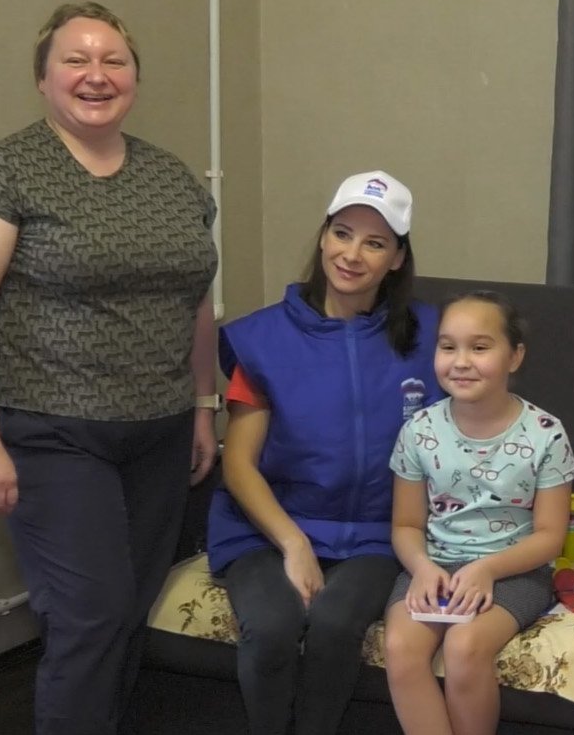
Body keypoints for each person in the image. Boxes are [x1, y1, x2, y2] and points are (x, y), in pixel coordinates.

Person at [0, 1, 219, 734]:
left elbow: (194, 297)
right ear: (43, 77)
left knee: (127, 611)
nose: (97, 74)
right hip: (53, 432)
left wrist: (202, 403)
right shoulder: (1, 175)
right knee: (89, 615)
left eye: (113, 60)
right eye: (76, 59)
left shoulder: (171, 177)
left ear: (134, 77)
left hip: (158, 433)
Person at [206, 171, 443, 734]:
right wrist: (293, 544)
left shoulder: (433, 337)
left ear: (397, 259)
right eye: (342, 233)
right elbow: (238, 463)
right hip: (267, 530)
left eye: (375, 243)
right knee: (271, 627)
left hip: (376, 534)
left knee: (336, 626)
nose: (352, 255)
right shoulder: (263, 340)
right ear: (322, 237)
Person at [382, 292, 574, 735]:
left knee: (465, 646)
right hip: (434, 566)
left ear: (515, 357)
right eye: (448, 347)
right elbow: (406, 524)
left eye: (480, 347)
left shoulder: (545, 433)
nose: (461, 362)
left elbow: (550, 535)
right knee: (400, 646)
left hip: (515, 570)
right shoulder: (419, 430)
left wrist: (487, 569)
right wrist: (422, 568)